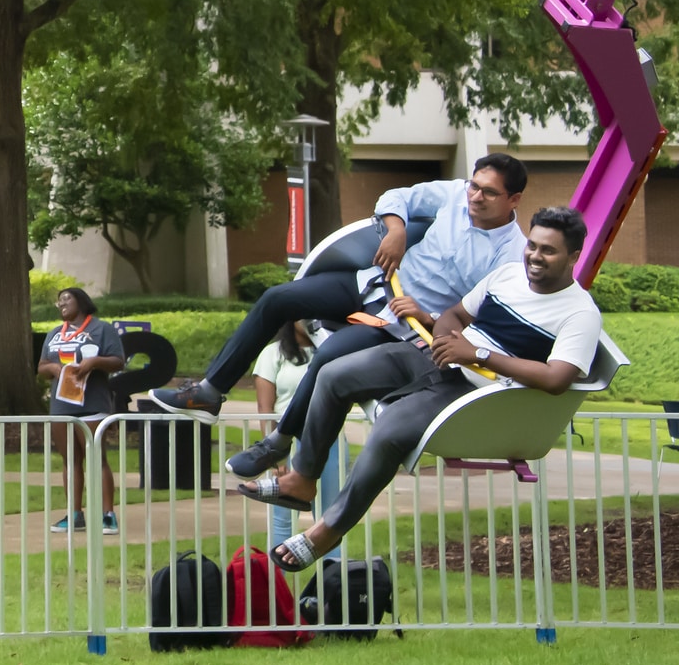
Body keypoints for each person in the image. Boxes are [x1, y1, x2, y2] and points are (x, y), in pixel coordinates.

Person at [253, 207, 601, 571]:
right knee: (334, 374)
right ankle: (303, 478)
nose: (534, 256)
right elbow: (455, 315)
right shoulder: (508, 275)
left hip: (482, 394)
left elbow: (557, 378)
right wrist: (445, 343)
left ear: (574, 256)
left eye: (549, 250)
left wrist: (478, 354)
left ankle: (328, 530)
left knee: (389, 431)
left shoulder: (579, 313)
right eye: (532, 245)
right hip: (445, 359)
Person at [153, 155, 531, 481]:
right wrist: (397, 229)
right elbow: (395, 197)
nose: (476, 197)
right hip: (372, 284)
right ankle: (210, 392)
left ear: (513, 199)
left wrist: (429, 315)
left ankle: (278, 442)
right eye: (474, 187)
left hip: (400, 325)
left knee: (330, 357)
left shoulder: (511, 255)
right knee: (277, 299)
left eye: (489, 193)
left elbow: (483, 322)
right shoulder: (454, 195)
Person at [38, 287, 125, 535]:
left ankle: (108, 515)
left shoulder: (101, 329)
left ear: (82, 302)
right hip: (61, 404)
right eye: (59, 300)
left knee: (97, 458)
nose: (61, 303)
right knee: (70, 461)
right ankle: (74, 514)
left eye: (67, 298)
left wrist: (94, 362)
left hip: (92, 403)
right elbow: (41, 367)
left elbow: (118, 361)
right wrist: (54, 369)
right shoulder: (55, 333)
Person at [251, 322, 341, 558]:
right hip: (288, 440)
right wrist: (273, 452)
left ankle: (332, 583)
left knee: (330, 516)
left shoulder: (331, 349)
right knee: (282, 516)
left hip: (329, 438)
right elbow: (265, 407)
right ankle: (279, 586)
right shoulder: (273, 353)